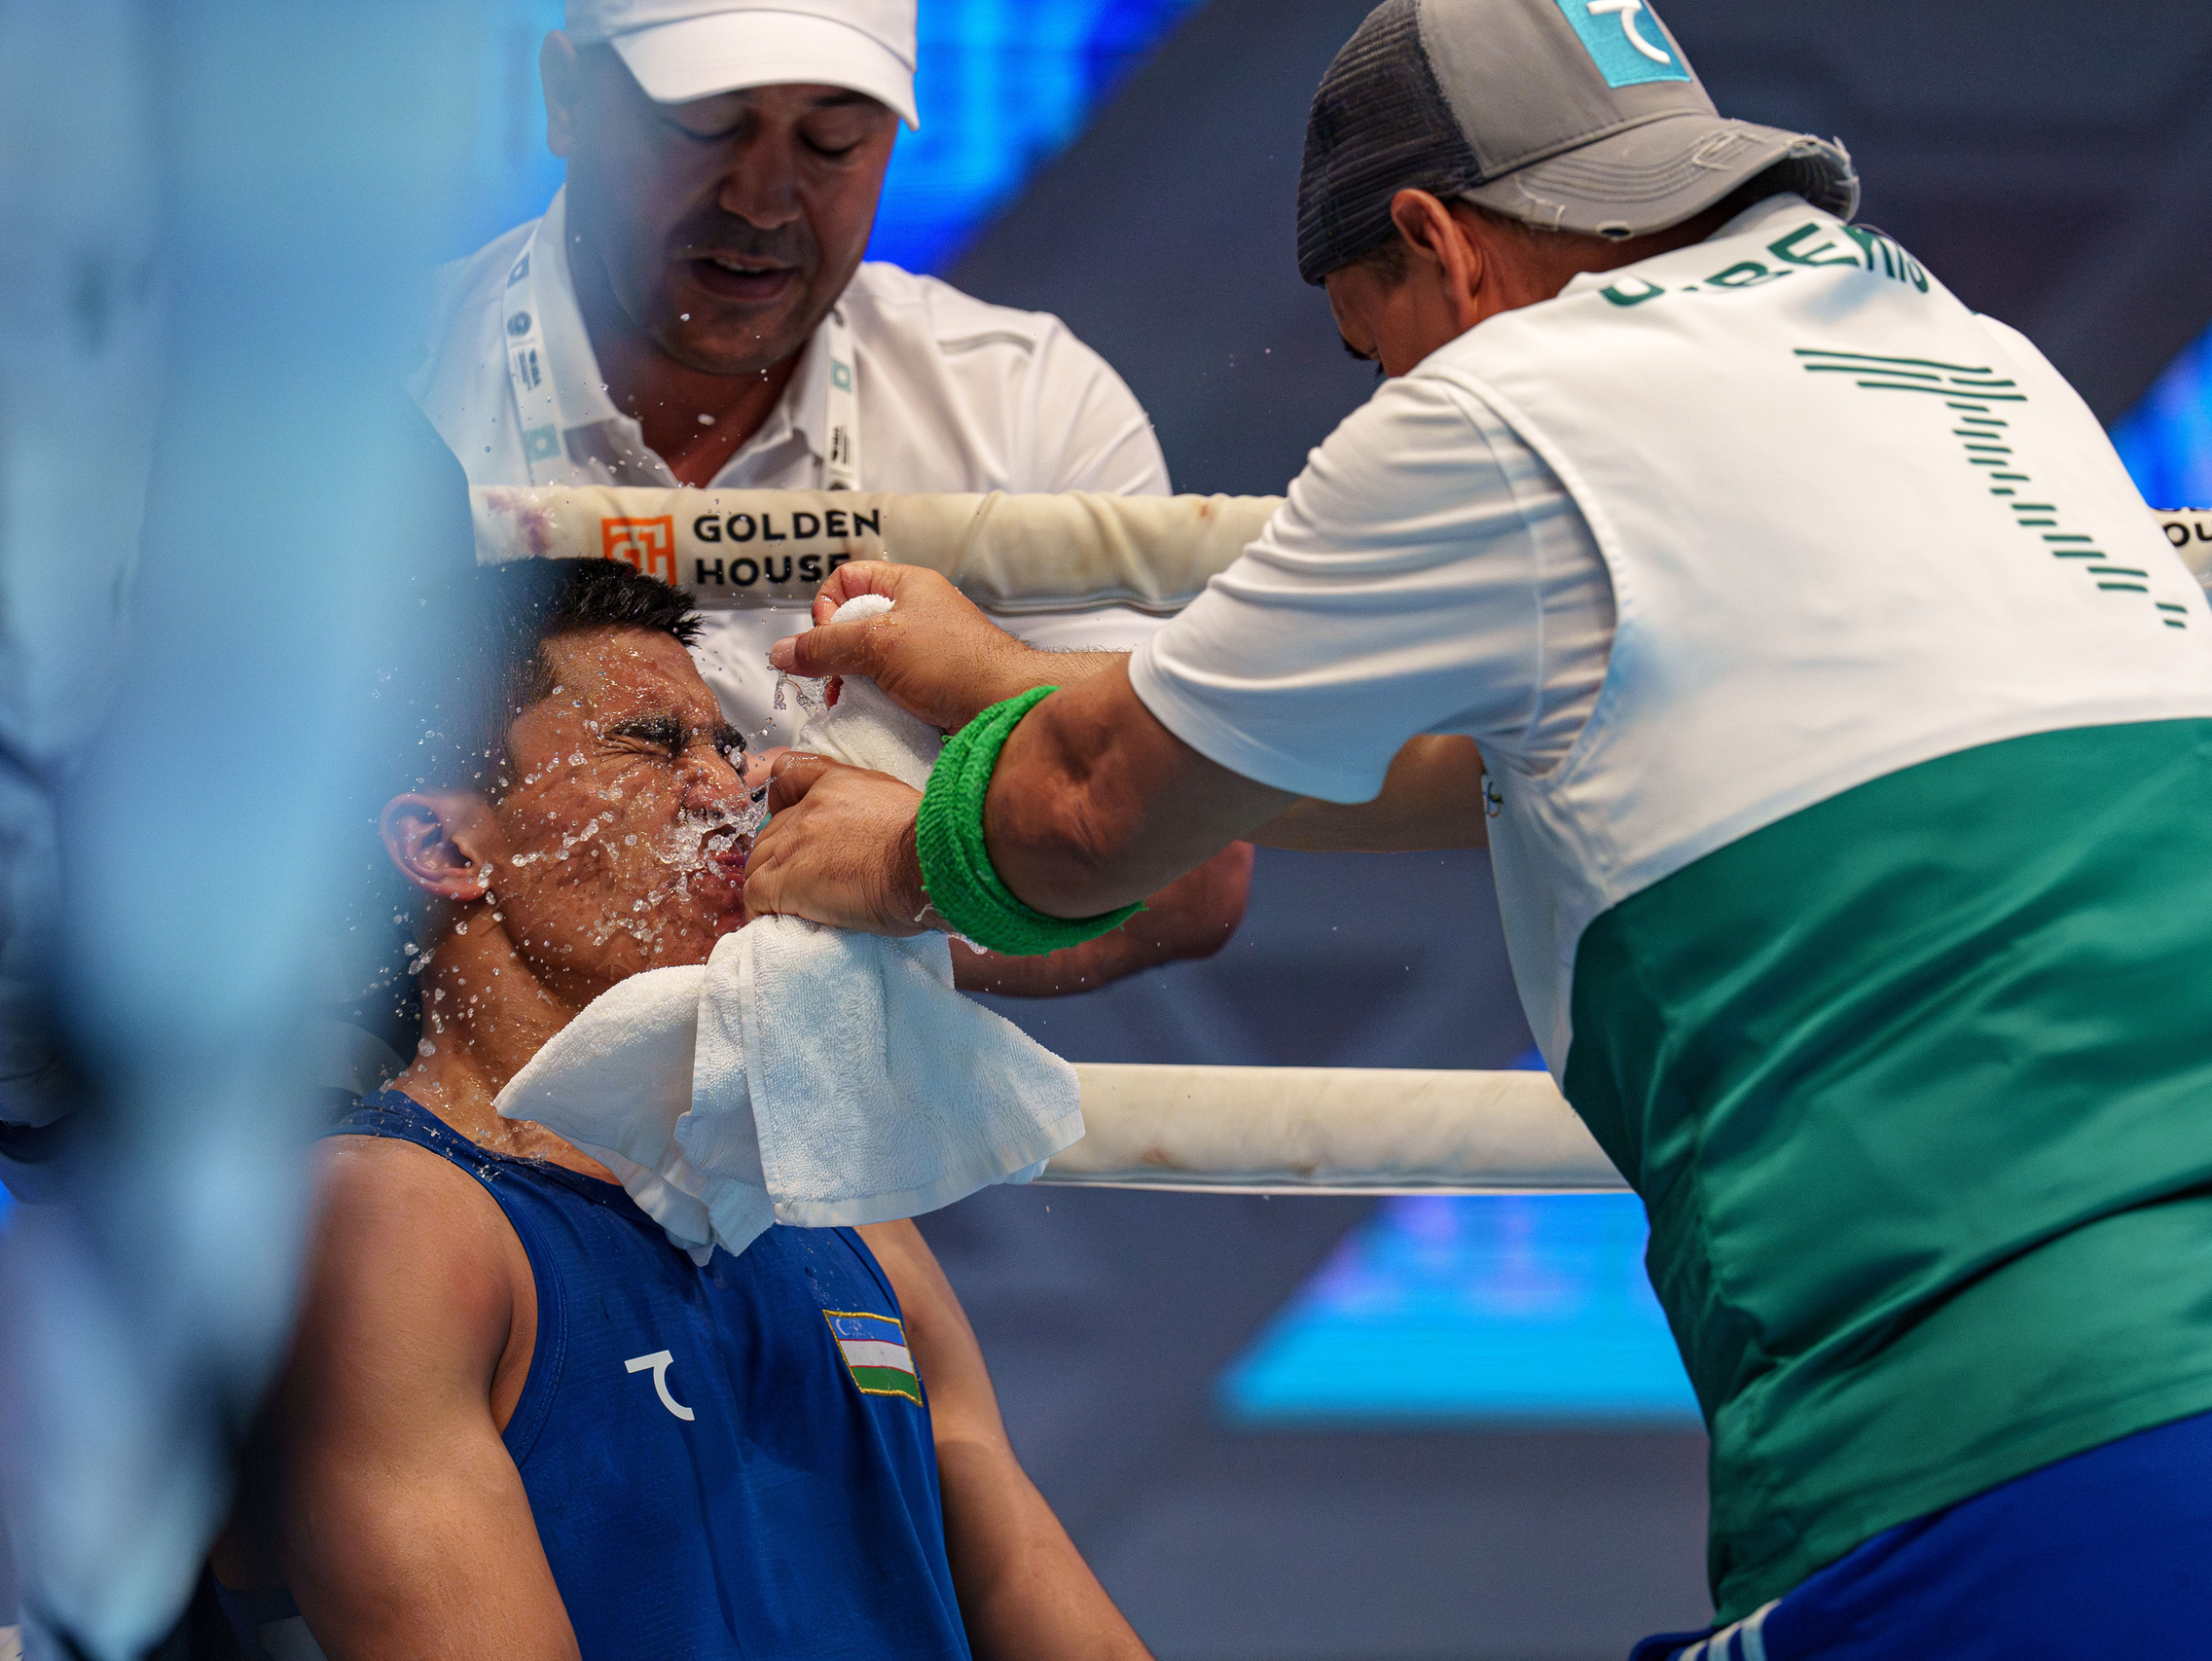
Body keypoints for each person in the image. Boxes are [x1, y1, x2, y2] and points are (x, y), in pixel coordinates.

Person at [744, 0, 2212, 1655]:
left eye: (1367, 346)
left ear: (1438, 245)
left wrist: (889, 854)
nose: (1381, 389)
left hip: (2008, 1438)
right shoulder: (1970, 359)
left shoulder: (1501, 406)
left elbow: (1091, 817)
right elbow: (1499, 741)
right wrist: (1013, 676)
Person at [210, 557, 1152, 1661]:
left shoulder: (838, 1203)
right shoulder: (390, 1226)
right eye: (654, 746)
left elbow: (1045, 1600)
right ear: (446, 847)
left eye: (724, 748)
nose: (727, 794)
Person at [414, 0, 1249, 996]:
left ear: (891, 137)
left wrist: (899, 879)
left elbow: (1192, 871)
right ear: (565, 98)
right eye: (707, 125)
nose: (763, 199)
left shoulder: (1025, 406)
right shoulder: (369, 393)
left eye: (831, 141)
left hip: (853, 1100)